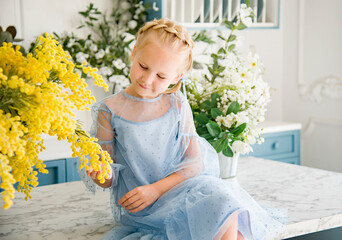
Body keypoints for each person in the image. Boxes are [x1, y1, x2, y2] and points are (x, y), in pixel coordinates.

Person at [78, 18, 286, 240]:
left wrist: (156, 190)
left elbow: (194, 164)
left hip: (181, 193)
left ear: (177, 77)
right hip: (142, 209)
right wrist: (100, 173)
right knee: (227, 224)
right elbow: (109, 178)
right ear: (134, 52)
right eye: (143, 66)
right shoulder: (109, 110)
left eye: (161, 76)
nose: (147, 79)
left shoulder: (176, 104)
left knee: (225, 202)